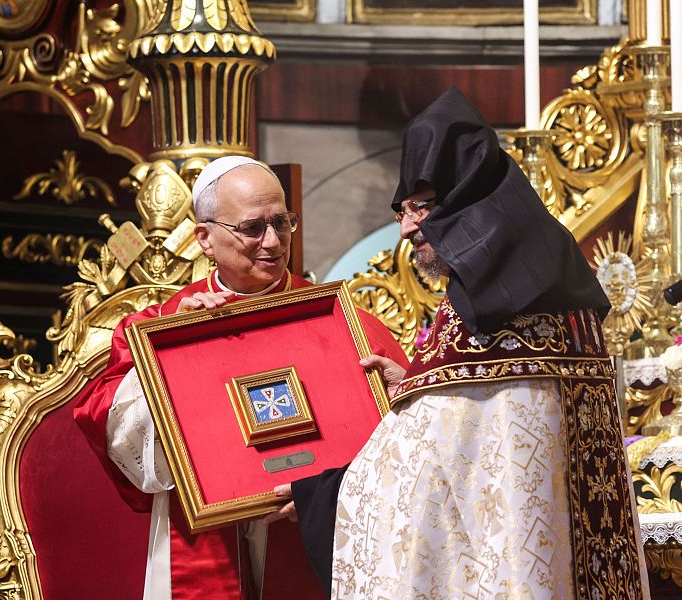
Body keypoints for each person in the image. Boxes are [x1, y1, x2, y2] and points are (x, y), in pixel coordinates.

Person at [272, 87, 650, 599]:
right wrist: (420, 383)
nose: (405, 228)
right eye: (400, 209)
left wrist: (323, 492)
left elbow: (421, 479)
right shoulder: (557, 294)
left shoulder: (483, 313)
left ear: (468, 203)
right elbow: (480, 428)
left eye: (421, 207)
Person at [72, 156, 408, 600]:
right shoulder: (158, 327)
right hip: (205, 546)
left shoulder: (343, 324)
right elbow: (108, 428)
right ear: (205, 238)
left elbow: (406, 450)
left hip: (310, 535)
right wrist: (173, 357)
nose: (273, 242)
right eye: (252, 228)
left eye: (282, 223)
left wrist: (404, 393)